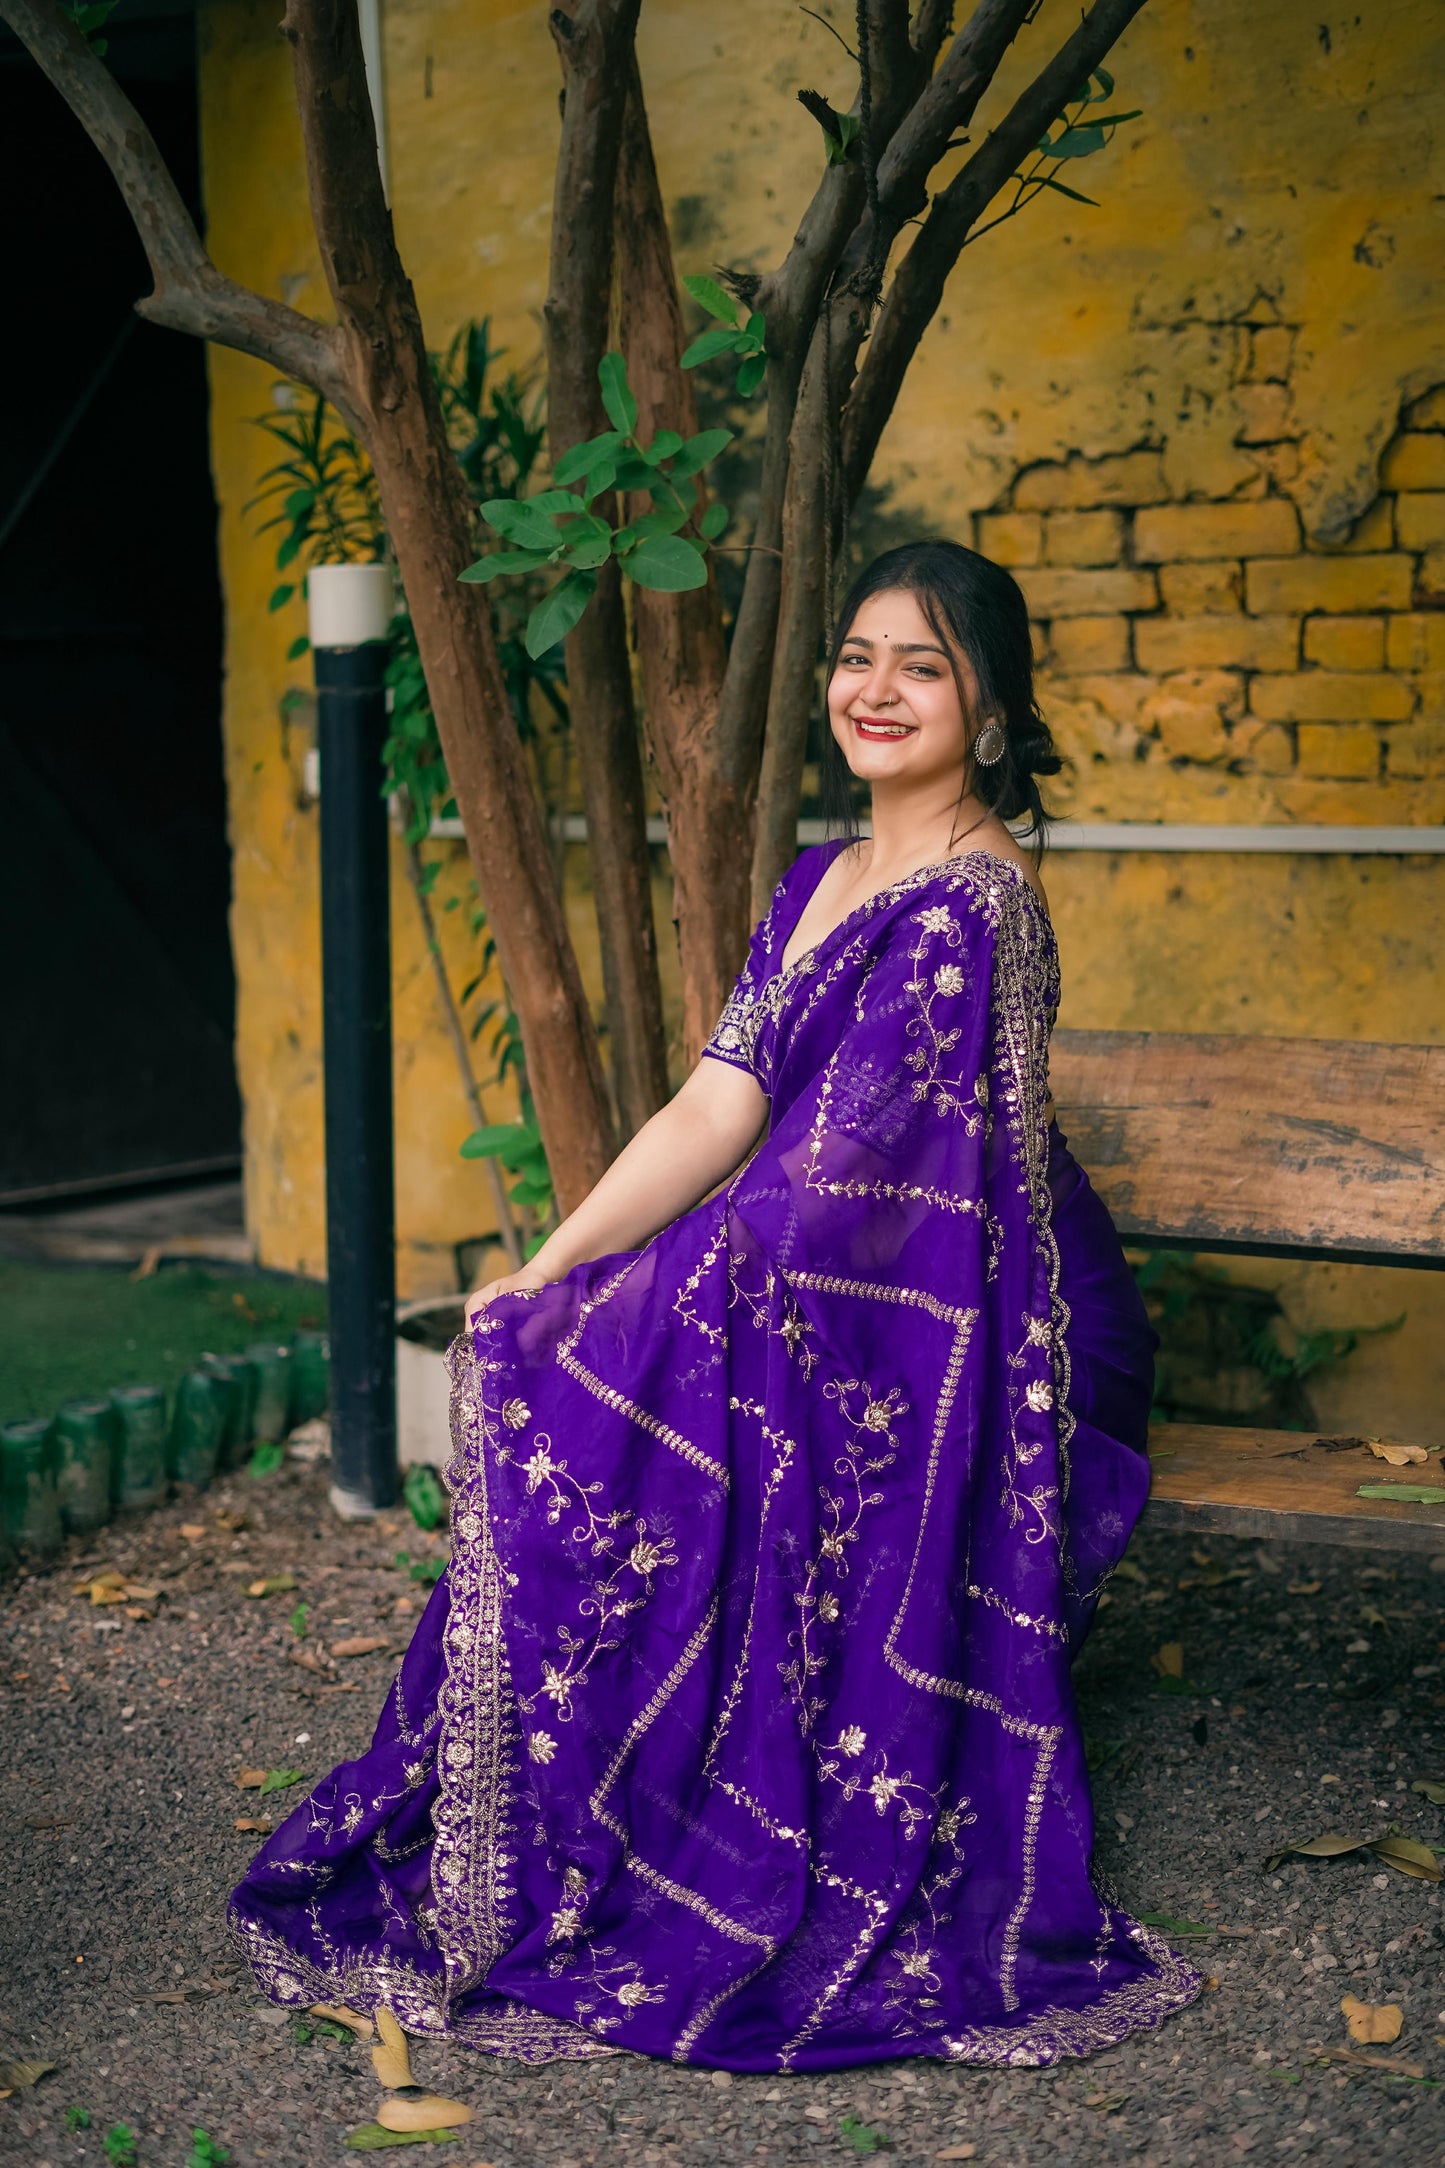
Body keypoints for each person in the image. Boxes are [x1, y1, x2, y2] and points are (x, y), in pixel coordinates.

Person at [230, 539, 1203, 2071]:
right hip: (843, 1275)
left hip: (986, 1319)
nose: (875, 692)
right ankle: (619, 1797)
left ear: (993, 713)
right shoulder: (826, 878)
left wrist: (629, 1317)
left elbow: (863, 1194)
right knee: (585, 1342)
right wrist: (552, 1273)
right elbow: (721, 1105)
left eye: (924, 665)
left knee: (635, 1364)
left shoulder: (969, 908)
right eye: (856, 657)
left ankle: (673, 1816)